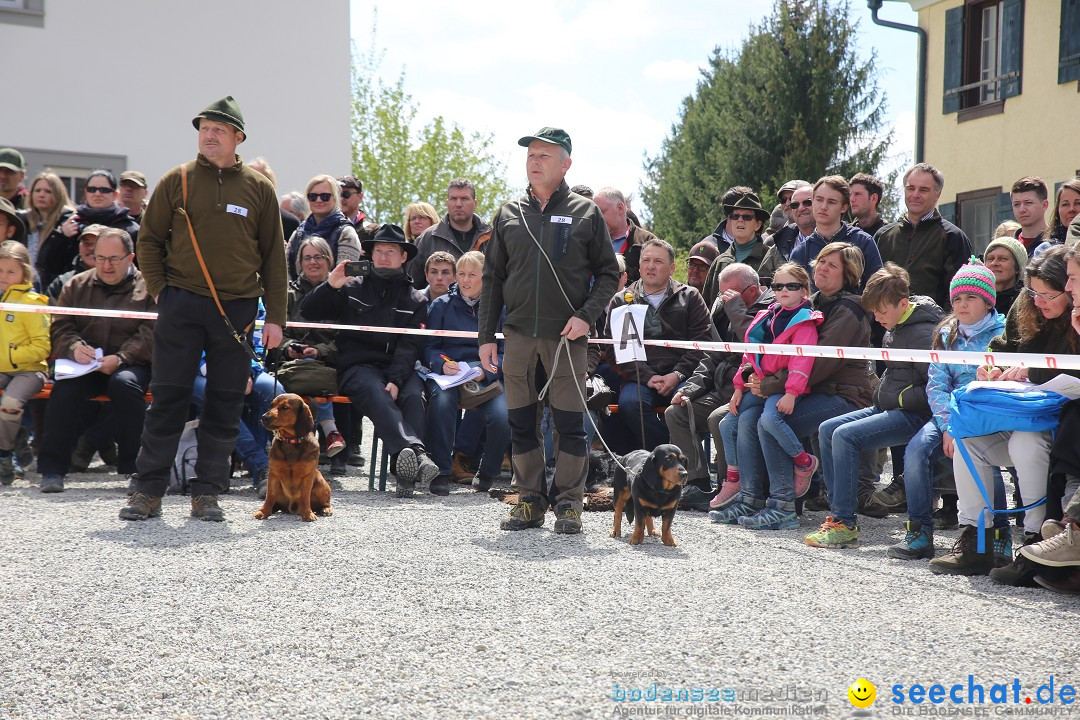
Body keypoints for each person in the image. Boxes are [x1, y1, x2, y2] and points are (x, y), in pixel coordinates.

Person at [122, 96, 287, 523]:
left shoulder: (259, 188)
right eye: (204, 128)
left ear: (238, 137)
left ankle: (208, 493)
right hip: (181, 303)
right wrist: (161, 290)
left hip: (238, 309)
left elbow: (274, 258)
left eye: (218, 129)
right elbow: (149, 241)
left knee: (226, 401)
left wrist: (277, 320)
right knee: (169, 398)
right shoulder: (176, 180)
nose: (209, 135)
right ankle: (147, 491)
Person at [478, 127, 619, 535]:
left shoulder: (586, 212)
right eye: (530, 155)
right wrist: (486, 336)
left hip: (567, 337)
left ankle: (569, 503)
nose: (534, 161)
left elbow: (609, 274)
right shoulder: (508, 212)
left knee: (570, 421)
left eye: (544, 155)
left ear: (565, 164)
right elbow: (492, 279)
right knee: (521, 420)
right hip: (519, 333)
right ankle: (528, 501)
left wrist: (586, 316)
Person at [929, 246, 1077, 576]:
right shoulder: (1026, 307)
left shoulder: (1076, 316)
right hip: (1017, 410)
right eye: (1034, 293)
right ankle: (976, 540)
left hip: (1058, 421)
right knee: (967, 443)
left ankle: (1034, 542)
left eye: (1049, 295)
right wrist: (992, 368)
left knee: (1025, 445)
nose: (1040, 302)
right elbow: (1001, 349)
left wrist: (1032, 372)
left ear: (1068, 289)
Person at [730, 242, 878, 515]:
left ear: (848, 274)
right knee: (745, 418)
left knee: (771, 422)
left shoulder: (850, 308)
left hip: (843, 394)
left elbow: (819, 363)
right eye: (821, 261)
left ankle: (782, 507)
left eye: (832, 265)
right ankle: (751, 499)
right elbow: (769, 345)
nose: (822, 267)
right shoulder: (812, 303)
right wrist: (750, 376)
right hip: (806, 390)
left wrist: (771, 385)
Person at [805, 263, 944, 550]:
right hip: (890, 407)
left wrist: (897, 397)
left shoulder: (921, 335)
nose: (877, 318)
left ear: (903, 304)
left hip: (914, 416)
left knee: (845, 435)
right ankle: (837, 510)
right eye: (874, 312)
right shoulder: (896, 325)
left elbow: (934, 389)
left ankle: (844, 522)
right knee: (827, 428)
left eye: (882, 311)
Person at [301, 224, 437, 497]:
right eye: (378, 251)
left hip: (398, 367)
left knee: (412, 395)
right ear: (370, 255)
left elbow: (410, 346)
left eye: (391, 251)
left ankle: (404, 475)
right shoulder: (351, 287)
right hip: (358, 367)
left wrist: (397, 380)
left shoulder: (415, 299)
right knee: (376, 392)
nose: (384, 256)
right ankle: (418, 455)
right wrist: (330, 284)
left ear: (403, 257)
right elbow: (308, 310)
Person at [884, 260, 1004, 561]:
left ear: (988, 300)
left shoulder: (1002, 334)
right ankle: (920, 532)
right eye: (957, 299)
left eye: (971, 297)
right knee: (916, 450)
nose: (962, 305)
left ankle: (1000, 535)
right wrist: (949, 425)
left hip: (988, 413)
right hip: (949, 414)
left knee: (988, 457)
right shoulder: (945, 333)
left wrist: (962, 425)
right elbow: (936, 385)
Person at [38, 228, 154, 493]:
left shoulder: (149, 286)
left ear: (131, 258)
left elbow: (153, 332)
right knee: (64, 391)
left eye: (114, 258)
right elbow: (61, 326)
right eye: (100, 257)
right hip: (85, 363)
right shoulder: (76, 284)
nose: (106, 265)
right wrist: (74, 347)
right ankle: (53, 469)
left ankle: (134, 469)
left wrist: (123, 357)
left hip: (132, 363)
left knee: (125, 385)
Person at [712, 263, 822, 530]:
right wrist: (739, 386)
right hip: (759, 385)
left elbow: (802, 361)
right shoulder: (768, 315)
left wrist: (793, 392)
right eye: (777, 286)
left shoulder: (806, 321)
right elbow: (750, 353)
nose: (783, 291)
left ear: (805, 291)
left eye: (791, 286)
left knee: (768, 421)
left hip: (782, 389)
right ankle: (742, 490)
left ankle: (803, 463)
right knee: (729, 422)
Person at [666, 263, 774, 508]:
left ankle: (729, 486)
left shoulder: (770, 308)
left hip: (751, 390)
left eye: (731, 293)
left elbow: (757, 348)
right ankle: (696, 483)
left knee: (718, 419)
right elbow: (711, 355)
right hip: (722, 387)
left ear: (751, 290)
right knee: (677, 412)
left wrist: (735, 309)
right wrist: (689, 389)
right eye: (721, 293)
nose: (724, 298)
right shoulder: (725, 308)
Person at [603, 238, 712, 452]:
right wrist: (647, 377)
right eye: (646, 260)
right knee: (629, 404)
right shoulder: (622, 301)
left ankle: (688, 470)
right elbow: (616, 351)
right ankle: (665, 457)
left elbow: (703, 342)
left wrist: (678, 374)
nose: (651, 266)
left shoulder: (690, 297)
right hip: (640, 377)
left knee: (684, 404)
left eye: (658, 261)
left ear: (672, 268)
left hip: (682, 376)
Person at [424, 251, 510, 495]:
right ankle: (442, 471)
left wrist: (485, 370)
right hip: (449, 373)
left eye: (472, 275)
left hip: (486, 374)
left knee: (502, 416)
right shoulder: (441, 305)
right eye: (461, 274)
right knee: (441, 403)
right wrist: (442, 364)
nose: (465, 280)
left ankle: (487, 473)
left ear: (486, 278)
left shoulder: (500, 307)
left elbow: (508, 352)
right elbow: (430, 348)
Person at [277, 236, 347, 479]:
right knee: (304, 372)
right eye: (307, 257)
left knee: (315, 375)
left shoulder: (343, 294)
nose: (313, 262)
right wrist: (289, 348)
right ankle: (331, 433)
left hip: (330, 362)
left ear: (329, 261)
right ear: (299, 262)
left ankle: (326, 442)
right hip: (294, 365)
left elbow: (349, 338)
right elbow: (279, 334)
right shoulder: (287, 294)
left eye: (318, 257)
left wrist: (320, 351)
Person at [876, 163, 973, 309]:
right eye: (910, 188)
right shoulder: (883, 236)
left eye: (923, 190)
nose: (915, 195)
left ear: (937, 194)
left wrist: (942, 327)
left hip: (932, 327)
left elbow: (959, 291)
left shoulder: (952, 237)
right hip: (884, 326)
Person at [39, 169, 140, 291]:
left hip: (118, 292)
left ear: (115, 194)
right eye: (92, 189)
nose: (97, 194)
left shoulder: (130, 228)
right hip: (74, 290)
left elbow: (139, 268)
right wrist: (60, 237)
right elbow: (45, 264)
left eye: (104, 190)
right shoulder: (69, 222)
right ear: (85, 192)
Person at [0, 241, 49, 485]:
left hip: (30, 371)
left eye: (11, 271)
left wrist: (9, 356)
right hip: (3, 369)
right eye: (0, 270)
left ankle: (5, 455)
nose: (4, 277)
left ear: (23, 273)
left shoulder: (33, 303)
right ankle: (16, 434)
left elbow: (42, 347)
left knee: (9, 402)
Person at [789, 175, 883, 292]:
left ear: (844, 207)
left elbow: (878, 291)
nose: (823, 207)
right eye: (819, 200)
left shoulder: (863, 242)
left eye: (831, 202)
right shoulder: (800, 252)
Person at [700, 190, 781, 308]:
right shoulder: (719, 261)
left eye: (747, 217)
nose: (740, 220)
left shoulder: (770, 256)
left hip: (756, 324)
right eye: (735, 216)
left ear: (758, 225)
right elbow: (706, 304)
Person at [408, 180, 493, 286]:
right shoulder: (427, 239)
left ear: (475, 203)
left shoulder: (492, 238)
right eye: (453, 199)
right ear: (447, 203)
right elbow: (412, 287)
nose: (458, 204)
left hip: (484, 302)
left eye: (464, 199)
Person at [284, 174, 361, 282]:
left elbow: (345, 279)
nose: (318, 200)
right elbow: (286, 272)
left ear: (335, 198)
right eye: (313, 196)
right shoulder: (298, 232)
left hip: (334, 297)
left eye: (325, 196)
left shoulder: (346, 233)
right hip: (297, 297)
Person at [593, 187, 656, 285]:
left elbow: (657, 283)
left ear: (620, 208)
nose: (597, 218)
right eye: (595, 213)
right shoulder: (590, 239)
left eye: (602, 212)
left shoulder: (647, 241)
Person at [22, 172, 74, 267]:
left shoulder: (67, 221)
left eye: (48, 191)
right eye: (37, 190)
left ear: (58, 195)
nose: (41, 195)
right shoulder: (24, 220)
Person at [46, 224, 102, 303]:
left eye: (96, 244)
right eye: (86, 243)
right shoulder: (63, 282)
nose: (91, 248)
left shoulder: (119, 281)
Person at [1031, 179, 1080, 257]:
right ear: (1058, 210)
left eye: (1078, 203)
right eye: (1065, 204)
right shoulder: (1045, 251)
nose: (1071, 209)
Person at [982, 235, 1028, 316]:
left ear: (1017, 268)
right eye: (990, 259)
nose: (994, 263)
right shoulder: (977, 298)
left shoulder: (1025, 302)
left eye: (1003, 259)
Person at [1009, 176, 1049, 253]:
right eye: (1016, 204)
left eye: (1028, 203)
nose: (1022, 210)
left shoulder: (1058, 244)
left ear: (1044, 205)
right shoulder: (1007, 248)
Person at [848, 172, 886, 238]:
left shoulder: (888, 234)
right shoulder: (846, 234)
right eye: (850, 195)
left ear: (873, 198)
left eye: (857, 194)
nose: (852, 199)